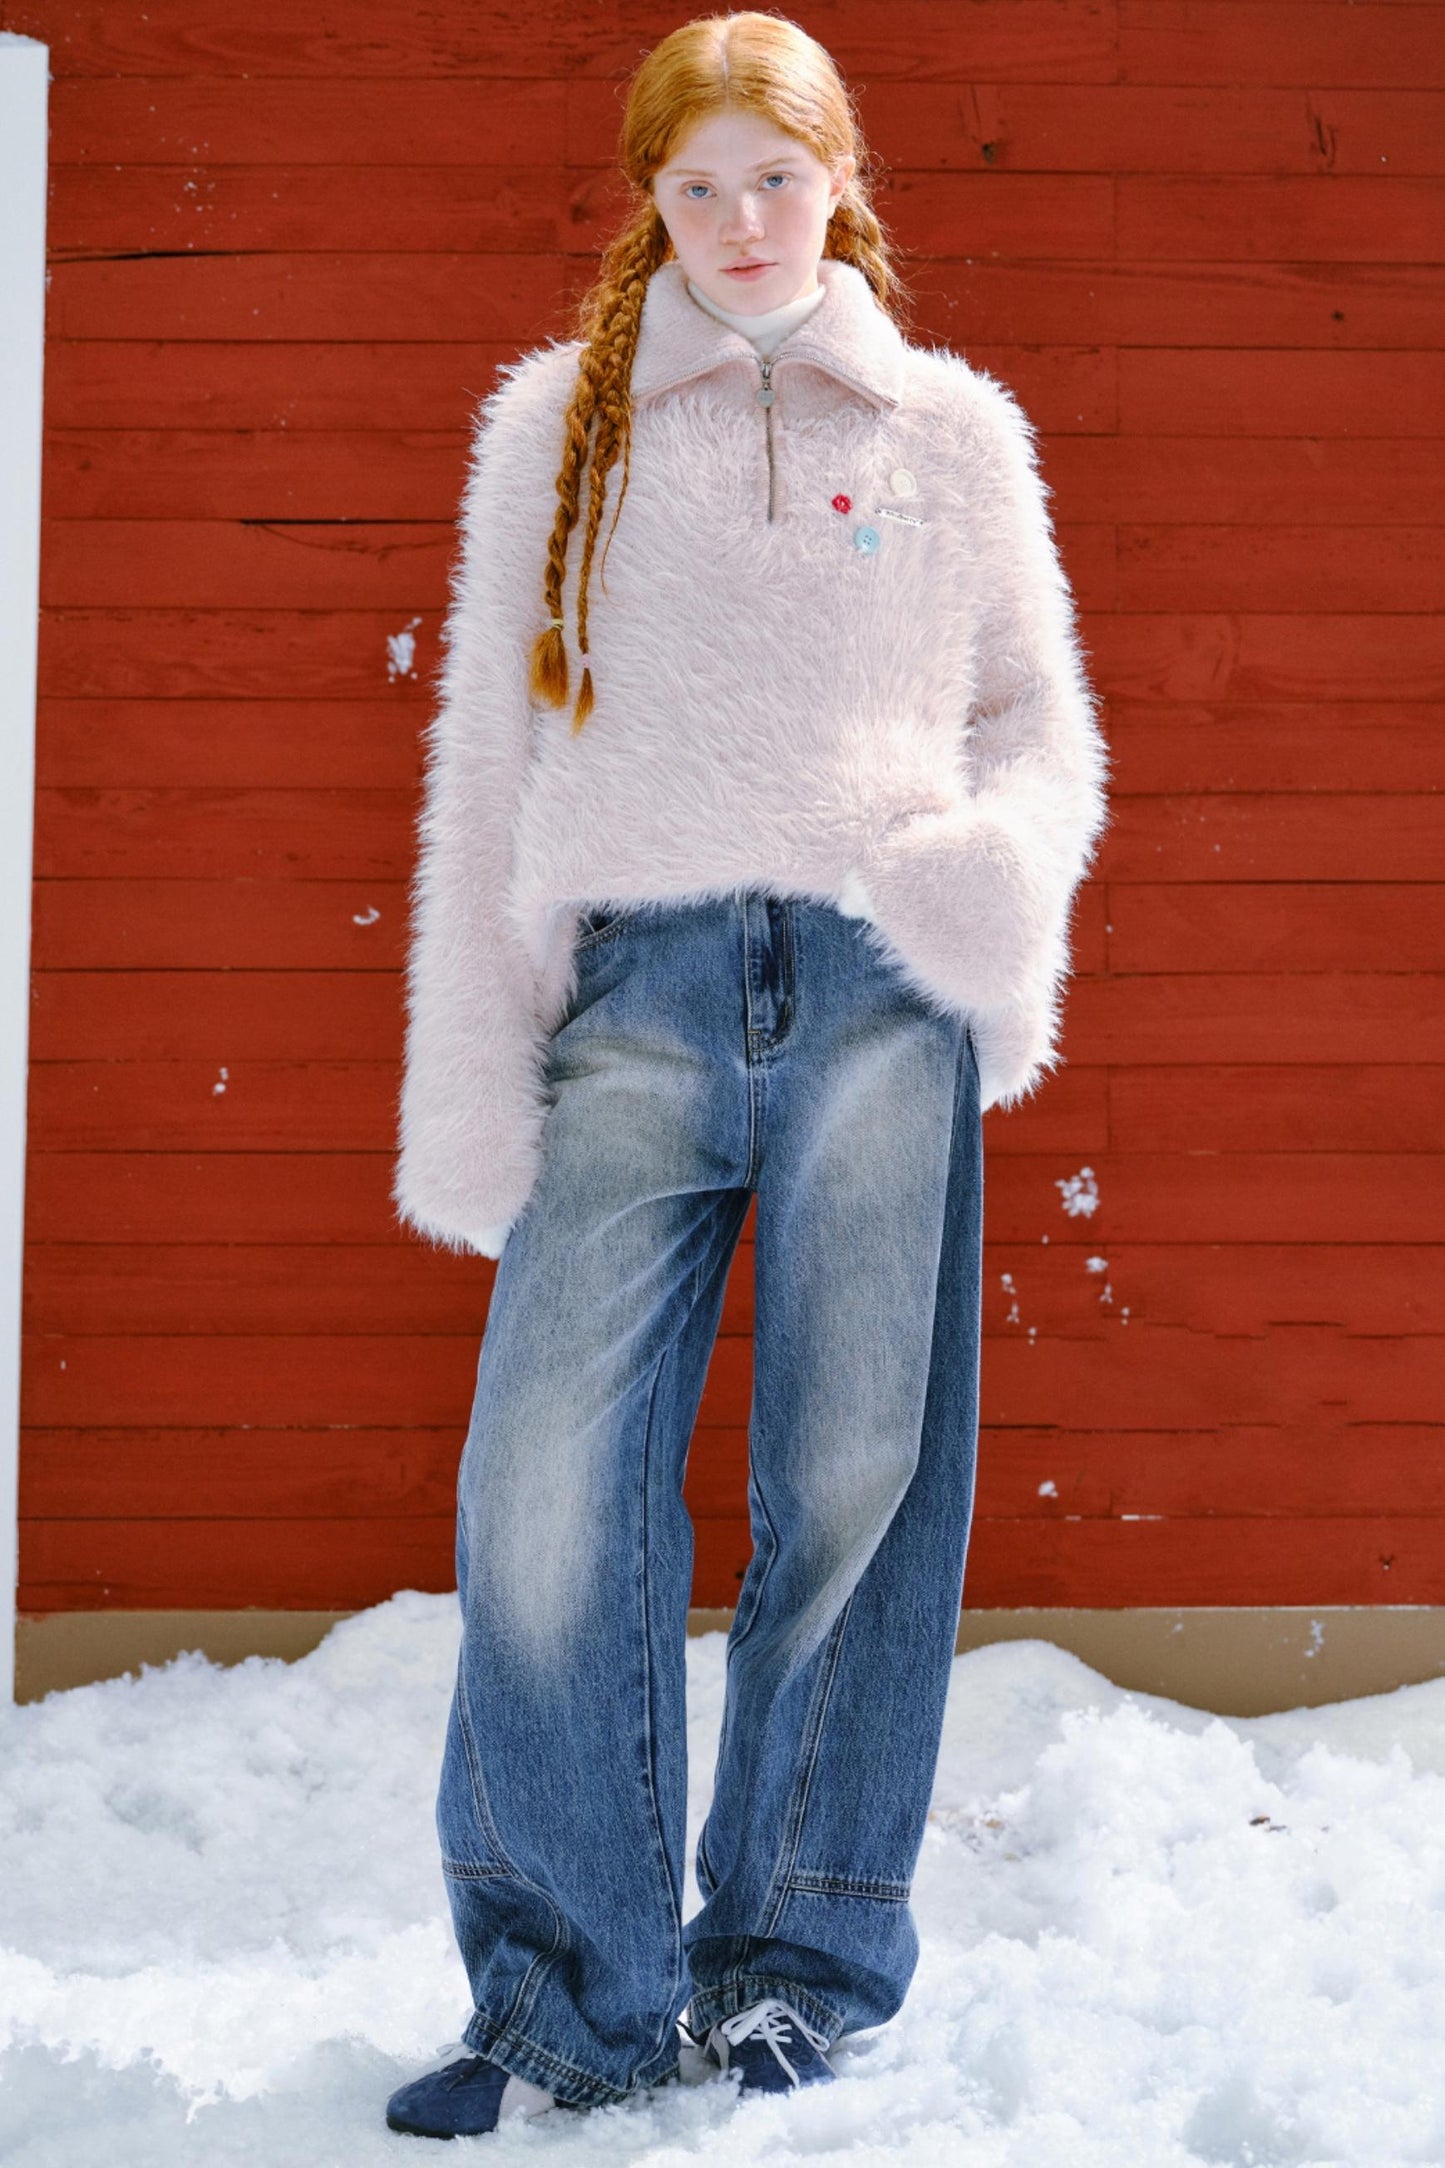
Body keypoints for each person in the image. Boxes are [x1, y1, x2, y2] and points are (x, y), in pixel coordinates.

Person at [385, 9, 1109, 2141]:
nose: (737, 224)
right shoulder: (564, 426)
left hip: (880, 991)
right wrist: (480, 1054)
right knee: (542, 1495)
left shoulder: (956, 434)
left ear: (839, 179)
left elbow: (1037, 726)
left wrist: (989, 880)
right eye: (692, 188)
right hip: (639, 997)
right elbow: (488, 772)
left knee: (856, 1488)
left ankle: (797, 1956)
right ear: (650, 204)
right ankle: (564, 1987)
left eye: (771, 179)